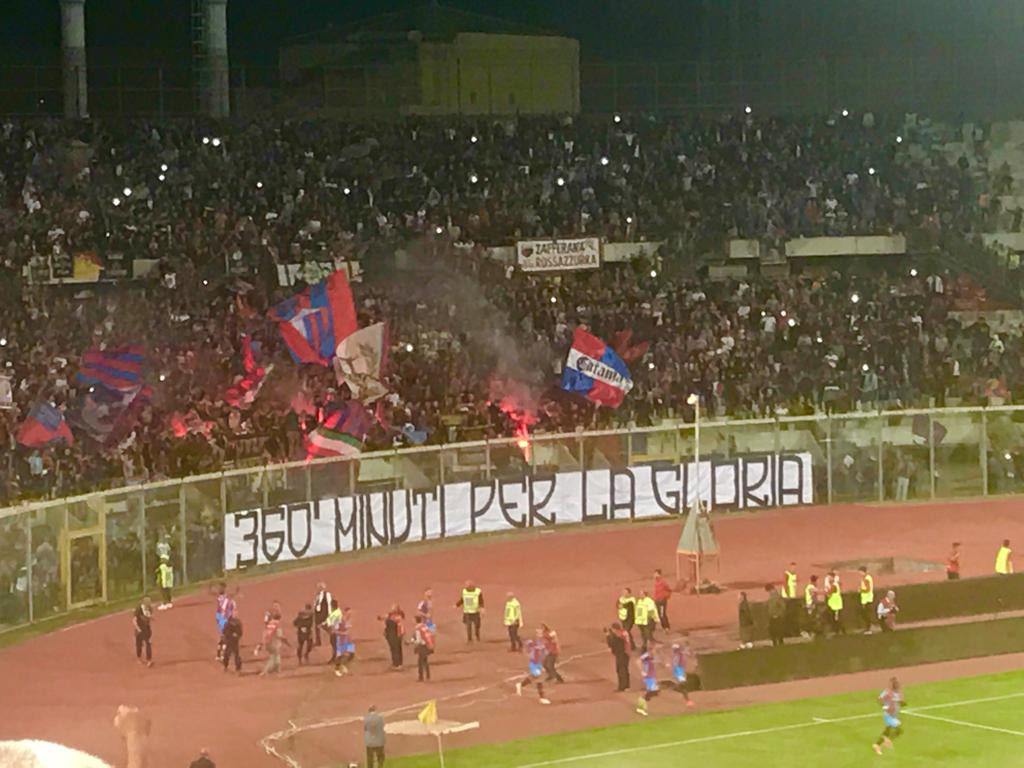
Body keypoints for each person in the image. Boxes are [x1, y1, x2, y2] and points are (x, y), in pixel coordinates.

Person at [515, 630, 551, 705]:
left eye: (541, 634)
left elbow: (544, 653)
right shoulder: (533, 643)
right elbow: (527, 648)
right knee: (539, 678)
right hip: (534, 663)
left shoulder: (543, 643)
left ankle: (520, 685)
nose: (540, 635)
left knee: (535, 677)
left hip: (539, 663)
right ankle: (542, 698)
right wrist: (529, 653)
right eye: (539, 634)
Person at [873, 677, 905, 755]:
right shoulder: (887, 692)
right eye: (896, 683)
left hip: (894, 715)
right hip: (888, 715)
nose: (898, 685)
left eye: (898, 683)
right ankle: (887, 741)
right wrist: (884, 707)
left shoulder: (898, 693)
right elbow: (879, 699)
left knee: (887, 731)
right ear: (893, 684)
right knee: (899, 730)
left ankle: (877, 745)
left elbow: (901, 703)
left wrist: (902, 702)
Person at [255, 609, 289, 677]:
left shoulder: (270, 624)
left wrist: (262, 644)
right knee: (273, 657)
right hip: (273, 644)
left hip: (267, 643)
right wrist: (286, 641)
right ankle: (265, 671)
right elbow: (279, 636)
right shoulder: (277, 625)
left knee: (276, 656)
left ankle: (277, 670)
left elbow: (265, 634)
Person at [212, 582, 237, 661]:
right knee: (226, 637)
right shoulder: (222, 597)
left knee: (224, 636)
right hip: (222, 618)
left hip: (222, 617)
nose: (220, 589)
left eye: (221, 587)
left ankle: (219, 654)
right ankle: (222, 655)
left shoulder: (223, 597)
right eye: (220, 587)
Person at [668, 642, 695, 708]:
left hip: (679, 671)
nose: (673, 650)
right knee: (681, 686)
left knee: (681, 686)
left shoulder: (679, 655)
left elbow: (677, 664)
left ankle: (688, 701)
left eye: (674, 649)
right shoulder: (677, 655)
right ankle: (688, 700)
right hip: (678, 672)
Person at [605, 623, 631, 692]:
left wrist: (608, 636)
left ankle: (622, 687)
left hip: (622, 653)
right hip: (626, 653)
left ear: (615, 629)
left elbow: (613, 643)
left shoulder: (619, 635)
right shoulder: (624, 633)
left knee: (621, 670)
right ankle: (626, 686)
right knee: (624, 670)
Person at [379, 604, 406, 670]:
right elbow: (383, 618)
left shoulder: (398, 617)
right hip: (390, 635)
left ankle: (398, 664)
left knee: (396, 649)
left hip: (396, 635)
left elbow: (400, 626)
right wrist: (381, 618)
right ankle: (395, 663)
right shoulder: (390, 615)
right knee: (393, 649)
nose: (392, 610)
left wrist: (401, 634)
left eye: (393, 609)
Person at [635, 646, 659, 716]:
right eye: (654, 649)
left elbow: (655, 662)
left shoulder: (651, 656)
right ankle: (641, 707)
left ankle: (641, 705)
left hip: (651, 676)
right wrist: (642, 671)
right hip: (649, 677)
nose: (655, 651)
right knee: (649, 692)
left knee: (651, 691)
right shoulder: (646, 655)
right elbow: (638, 661)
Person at [411, 614, 434, 682]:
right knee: (425, 661)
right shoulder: (424, 626)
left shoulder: (418, 628)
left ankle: (421, 677)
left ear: (416, 620)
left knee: (420, 662)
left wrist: (412, 642)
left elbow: (418, 640)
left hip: (422, 646)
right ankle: (428, 676)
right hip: (427, 645)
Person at [133, 596, 154, 668]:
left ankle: (149, 660)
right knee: (139, 644)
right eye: (148, 601)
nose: (149, 603)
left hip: (147, 628)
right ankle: (139, 657)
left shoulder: (150, 609)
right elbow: (134, 620)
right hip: (139, 628)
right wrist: (138, 629)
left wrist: (151, 618)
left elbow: (149, 617)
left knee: (148, 643)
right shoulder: (139, 609)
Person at [313, 582, 333, 648]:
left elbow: (329, 605)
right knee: (317, 628)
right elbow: (316, 604)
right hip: (318, 614)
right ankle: (318, 641)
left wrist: (329, 614)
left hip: (324, 614)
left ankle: (333, 638)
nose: (319, 588)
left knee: (326, 627)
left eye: (320, 587)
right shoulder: (317, 595)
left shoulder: (327, 594)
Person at [825, 569, 845, 635]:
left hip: (836, 605)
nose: (828, 579)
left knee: (836, 618)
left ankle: (840, 630)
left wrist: (827, 591)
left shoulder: (834, 585)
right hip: (833, 604)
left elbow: (829, 593)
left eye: (829, 577)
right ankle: (837, 630)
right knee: (833, 618)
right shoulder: (833, 585)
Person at [858, 566, 875, 634]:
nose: (860, 573)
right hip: (865, 598)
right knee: (865, 613)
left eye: (860, 572)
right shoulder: (865, 578)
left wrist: (861, 590)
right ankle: (868, 627)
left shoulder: (866, 578)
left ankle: (869, 628)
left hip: (867, 599)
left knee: (866, 614)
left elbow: (868, 589)